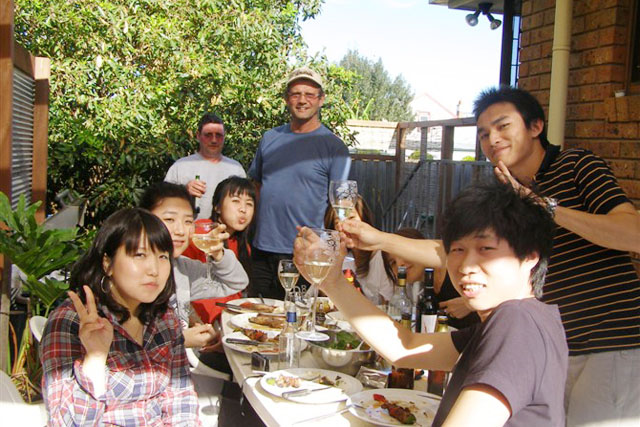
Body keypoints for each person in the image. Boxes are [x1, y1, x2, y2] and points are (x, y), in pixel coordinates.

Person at [295, 181, 568, 426]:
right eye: (457, 250)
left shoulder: (517, 322)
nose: (466, 266)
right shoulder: (524, 321)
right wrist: (332, 282)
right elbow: (405, 347)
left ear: (529, 257)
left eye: (485, 249)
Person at [473, 86, 640, 426]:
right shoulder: (508, 195)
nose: (492, 139)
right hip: (553, 349)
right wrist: (378, 238)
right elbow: (467, 254)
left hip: (611, 343)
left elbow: (632, 234)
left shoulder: (577, 165)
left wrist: (543, 205)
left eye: (503, 126)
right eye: (484, 133)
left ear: (536, 126)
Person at [41, 208, 201, 425]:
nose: (154, 270)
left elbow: (180, 397)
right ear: (107, 263)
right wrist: (95, 359)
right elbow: (65, 422)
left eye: (163, 256)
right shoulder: (72, 321)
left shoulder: (163, 318)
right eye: (140, 255)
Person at [248, 66, 350, 299]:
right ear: (287, 99)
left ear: (321, 99)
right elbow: (256, 186)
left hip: (307, 253)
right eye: (296, 94)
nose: (302, 100)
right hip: (262, 250)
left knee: (298, 317)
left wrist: (332, 255)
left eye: (310, 94)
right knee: (261, 315)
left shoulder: (335, 148)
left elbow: (341, 207)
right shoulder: (269, 138)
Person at [139, 182, 248, 367]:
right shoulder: (131, 270)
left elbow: (235, 283)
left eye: (188, 221)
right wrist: (181, 339)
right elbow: (122, 344)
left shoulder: (182, 269)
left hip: (177, 371)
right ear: (144, 219)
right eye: (170, 219)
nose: (180, 230)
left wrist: (218, 254)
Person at [184, 176, 257, 323]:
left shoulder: (242, 245)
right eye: (235, 201)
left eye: (249, 204)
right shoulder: (202, 233)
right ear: (217, 207)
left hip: (227, 320)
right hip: (199, 322)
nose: (243, 209)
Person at [389, 228, 479, 330]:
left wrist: (468, 304)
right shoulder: (423, 291)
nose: (400, 264)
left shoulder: (455, 269)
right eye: (393, 262)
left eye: (404, 254)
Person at [165, 112, 246, 219]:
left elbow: (245, 203)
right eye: (208, 135)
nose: (214, 140)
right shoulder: (180, 166)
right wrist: (184, 191)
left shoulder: (236, 169)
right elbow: (164, 201)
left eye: (218, 135)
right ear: (198, 136)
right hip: (188, 228)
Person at [324, 196, 394, 304]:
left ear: (364, 219)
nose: (346, 226)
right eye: (338, 221)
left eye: (351, 218)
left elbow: (389, 304)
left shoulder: (382, 256)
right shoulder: (341, 257)